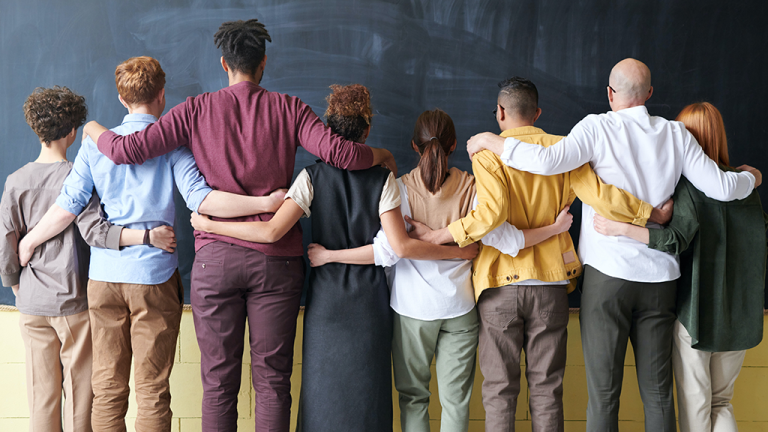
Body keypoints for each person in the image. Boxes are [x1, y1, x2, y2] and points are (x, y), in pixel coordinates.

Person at [82, 20, 397, 431]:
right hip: (277, 264)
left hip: (215, 262)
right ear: (263, 63)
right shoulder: (290, 108)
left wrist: (91, 128)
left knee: (217, 385)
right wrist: (384, 153)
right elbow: (343, 154)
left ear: (223, 64)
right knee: (272, 383)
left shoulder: (194, 110)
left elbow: (128, 150)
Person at [465, 60, 761, 432]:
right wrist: (750, 177)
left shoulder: (596, 127)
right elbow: (721, 187)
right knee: (657, 394)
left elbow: (547, 160)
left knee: (604, 395)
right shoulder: (676, 134)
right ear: (649, 94)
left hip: (607, 279)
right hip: (660, 279)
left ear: (609, 93)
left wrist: (493, 140)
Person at [191, 84, 478, 432]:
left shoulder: (309, 178)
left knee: (322, 397)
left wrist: (212, 225)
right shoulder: (384, 181)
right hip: (370, 302)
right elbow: (397, 246)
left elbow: (269, 233)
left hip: (326, 302)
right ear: (368, 129)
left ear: (326, 131)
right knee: (369, 398)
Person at [18, 57, 283, 432]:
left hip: (104, 277)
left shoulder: (95, 146)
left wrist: (29, 241)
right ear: (162, 95)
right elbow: (201, 199)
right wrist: (266, 204)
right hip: (154, 278)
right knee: (153, 388)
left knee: (107, 388)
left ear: (122, 99)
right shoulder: (173, 146)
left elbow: (67, 207)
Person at [405, 76, 666, 432]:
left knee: (499, 392)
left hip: (499, 287)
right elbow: (602, 196)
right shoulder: (564, 149)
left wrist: (440, 235)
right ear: (538, 113)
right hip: (551, 284)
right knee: (548, 390)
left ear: (499, 112)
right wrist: (649, 213)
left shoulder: (487, 154)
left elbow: (490, 215)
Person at [307, 105, 573, 432]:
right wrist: (461, 252)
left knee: (413, 398)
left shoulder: (398, 187)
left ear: (414, 146)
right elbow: (501, 240)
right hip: (460, 308)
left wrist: (332, 255)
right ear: (454, 144)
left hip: (411, 310)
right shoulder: (473, 187)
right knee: (456, 401)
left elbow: (388, 251)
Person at [0, 86, 174, 432]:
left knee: (41, 396)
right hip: (73, 302)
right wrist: (143, 237)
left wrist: (15, 283)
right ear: (73, 132)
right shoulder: (77, 175)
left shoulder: (16, 180)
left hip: (32, 303)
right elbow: (96, 230)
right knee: (83, 396)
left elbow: (7, 240)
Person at [593, 102, 767, 432]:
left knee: (696, 403)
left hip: (698, 315)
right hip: (742, 315)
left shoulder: (688, 187)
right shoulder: (747, 188)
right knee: (722, 402)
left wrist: (624, 228)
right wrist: (754, 175)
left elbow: (675, 239)